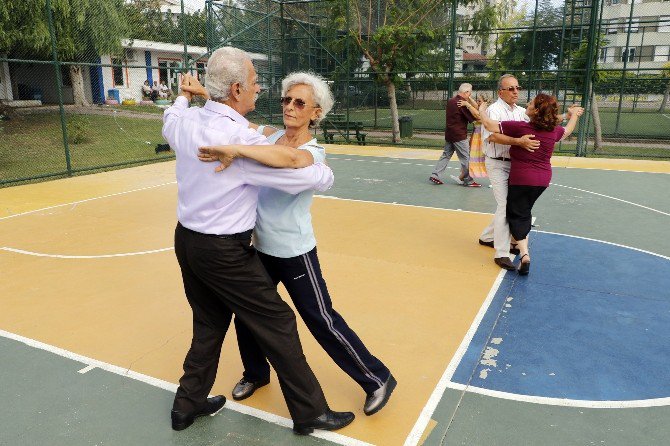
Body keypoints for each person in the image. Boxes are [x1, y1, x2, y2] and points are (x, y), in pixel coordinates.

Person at [162, 46, 354, 435]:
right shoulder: (241, 144)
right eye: (253, 83)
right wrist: (320, 168)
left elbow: (170, 117)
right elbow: (306, 175)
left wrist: (186, 94)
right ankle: (310, 411)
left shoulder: (186, 124)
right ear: (236, 90)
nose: (258, 89)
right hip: (224, 252)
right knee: (279, 320)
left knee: (209, 322)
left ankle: (188, 404)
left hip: (187, 243)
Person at [194, 72, 396, 416]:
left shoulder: (312, 151)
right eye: (287, 100)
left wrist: (235, 150)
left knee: (321, 319)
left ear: (315, 113)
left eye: (299, 102)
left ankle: (377, 378)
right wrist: (206, 95)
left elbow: (288, 160)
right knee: (248, 316)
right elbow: (242, 119)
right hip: (259, 248)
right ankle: (256, 374)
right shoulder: (271, 136)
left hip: (295, 252)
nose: (290, 106)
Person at [479, 94, 584, 274]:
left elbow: (489, 125)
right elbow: (567, 131)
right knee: (520, 210)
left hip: (522, 178)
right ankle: (493, 238)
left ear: (535, 111)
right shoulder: (553, 131)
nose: (526, 104)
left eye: (531, 103)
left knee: (515, 213)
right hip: (542, 180)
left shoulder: (522, 127)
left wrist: (481, 109)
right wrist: (573, 115)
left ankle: (523, 253)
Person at [477, 74, 541, 271]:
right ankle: (502, 253)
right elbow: (493, 137)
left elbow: (543, 121)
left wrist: (567, 117)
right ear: (500, 92)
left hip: (517, 164)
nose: (515, 91)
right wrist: (518, 141)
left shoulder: (522, 111)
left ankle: (487, 237)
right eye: (511, 88)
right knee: (505, 205)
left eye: (517, 87)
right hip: (497, 163)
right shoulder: (493, 110)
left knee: (509, 205)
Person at [429, 83, 481, 187]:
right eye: (469, 93)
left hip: (449, 134)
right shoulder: (461, 103)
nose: (470, 95)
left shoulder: (451, 101)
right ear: (466, 92)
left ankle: (435, 175)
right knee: (466, 158)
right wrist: (468, 104)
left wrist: (469, 100)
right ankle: (468, 180)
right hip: (459, 135)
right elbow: (476, 116)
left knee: (446, 155)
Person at [457, 92, 491, 179]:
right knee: (472, 157)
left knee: (482, 159)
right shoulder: (480, 108)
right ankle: (463, 177)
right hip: (477, 137)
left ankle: (464, 177)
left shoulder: (486, 110)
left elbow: (478, 116)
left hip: (482, 137)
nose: (477, 102)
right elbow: (476, 106)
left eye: (479, 100)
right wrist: (470, 98)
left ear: (485, 102)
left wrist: (467, 104)